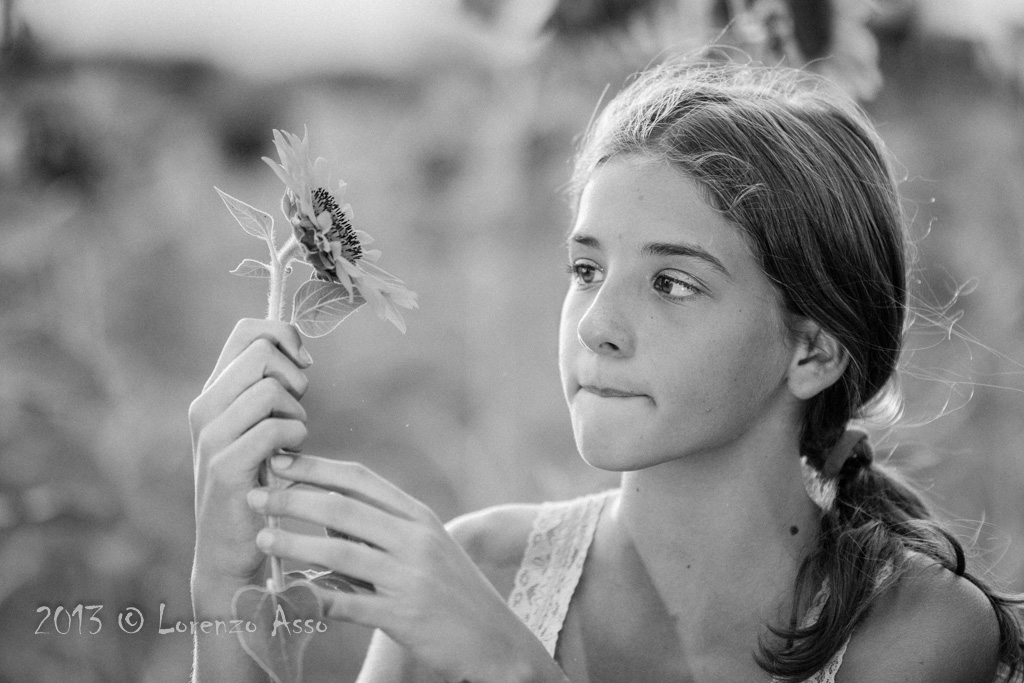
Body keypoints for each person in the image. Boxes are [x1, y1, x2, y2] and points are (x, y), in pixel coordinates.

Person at [188, 59, 1024, 683]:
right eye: (586, 270)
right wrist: (223, 583)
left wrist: (511, 663)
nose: (595, 325)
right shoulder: (475, 568)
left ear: (812, 350)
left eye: (672, 283)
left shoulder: (916, 631)